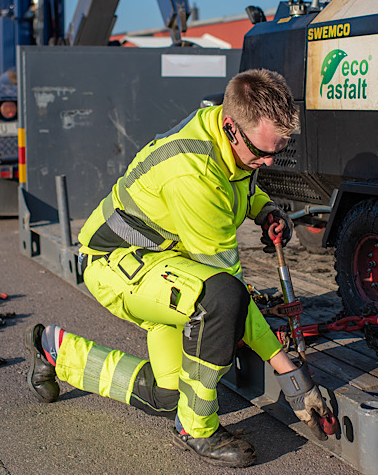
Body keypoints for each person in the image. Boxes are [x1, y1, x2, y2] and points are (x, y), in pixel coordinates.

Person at [25, 68, 334, 468]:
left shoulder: (228, 136)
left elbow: (241, 179)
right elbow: (230, 292)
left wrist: (263, 209)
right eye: (261, 152)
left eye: (277, 151)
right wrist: (289, 373)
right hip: (116, 264)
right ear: (230, 125)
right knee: (221, 299)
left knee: (169, 395)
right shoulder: (194, 174)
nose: (268, 161)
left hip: (166, 264)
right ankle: (197, 430)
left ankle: (54, 350)